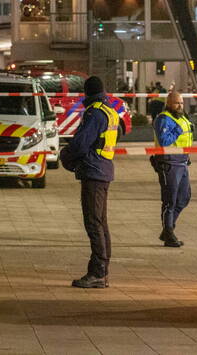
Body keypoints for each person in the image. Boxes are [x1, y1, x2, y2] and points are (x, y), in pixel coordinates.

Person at [60, 76, 118, 289]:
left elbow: (81, 143)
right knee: (101, 223)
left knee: (93, 223)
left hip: (93, 171)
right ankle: (102, 270)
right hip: (104, 169)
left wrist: (65, 155)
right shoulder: (110, 111)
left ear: (87, 92)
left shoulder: (95, 113)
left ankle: (98, 272)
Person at [152, 91, 193, 248]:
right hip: (169, 163)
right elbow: (164, 141)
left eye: (182, 103)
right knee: (170, 200)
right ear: (169, 103)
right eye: (177, 103)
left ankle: (167, 229)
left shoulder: (182, 117)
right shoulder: (164, 119)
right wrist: (177, 130)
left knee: (184, 197)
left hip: (182, 162)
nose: (180, 106)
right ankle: (169, 232)